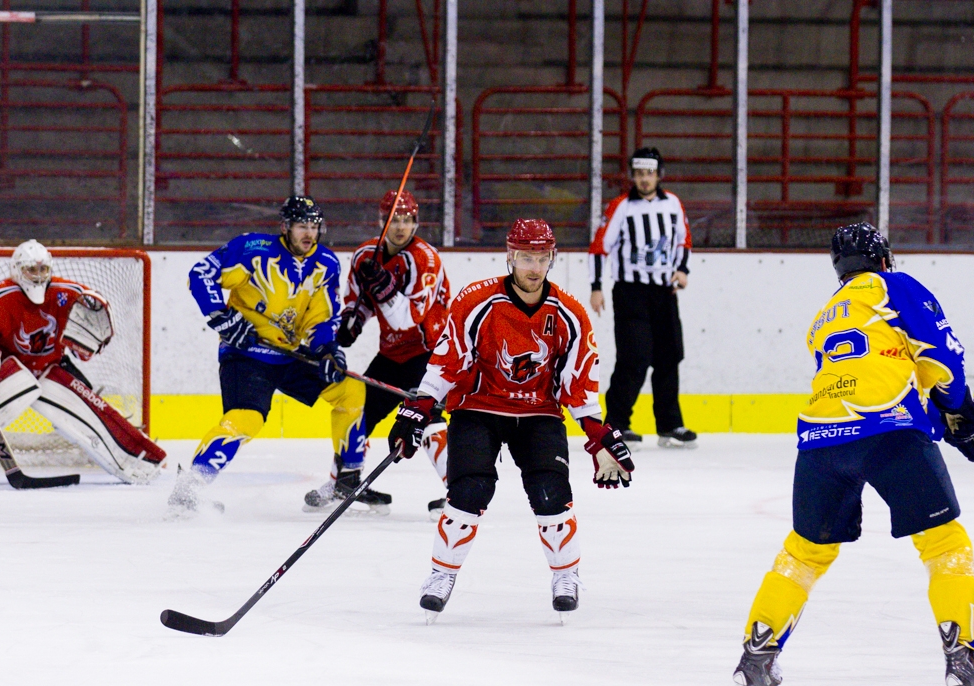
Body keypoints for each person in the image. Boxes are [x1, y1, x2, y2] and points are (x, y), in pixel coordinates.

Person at [730, 222, 974, 686]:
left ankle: (756, 656)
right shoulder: (894, 286)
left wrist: (945, 421)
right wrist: (964, 414)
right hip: (888, 432)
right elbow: (940, 355)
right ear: (883, 259)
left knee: (805, 553)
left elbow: (873, 372)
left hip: (820, 439)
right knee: (944, 543)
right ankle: (964, 659)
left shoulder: (823, 317)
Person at [388, 218, 636, 623]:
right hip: (478, 408)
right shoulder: (477, 300)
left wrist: (597, 434)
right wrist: (420, 407)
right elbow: (448, 359)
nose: (534, 267)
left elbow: (578, 382)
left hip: (538, 413)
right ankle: (441, 575)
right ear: (510, 256)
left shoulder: (570, 313)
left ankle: (566, 576)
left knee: (551, 492)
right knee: (469, 489)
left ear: (552, 258)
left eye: (542, 258)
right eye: (525, 258)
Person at [167, 196, 387, 517]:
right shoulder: (253, 249)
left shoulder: (326, 263)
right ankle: (190, 487)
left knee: (350, 391)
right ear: (285, 227)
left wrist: (327, 349)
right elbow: (201, 274)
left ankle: (347, 481)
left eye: (314, 226)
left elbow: (321, 318)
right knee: (247, 419)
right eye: (302, 226)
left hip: (291, 354)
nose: (309, 233)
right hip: (247, 353)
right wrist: (223, 318)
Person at [0, 239, 166, 484]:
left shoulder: (67, 293)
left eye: (42, 270)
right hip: (8, 372)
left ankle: (141, 460)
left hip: (52, 368)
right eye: (30, 270)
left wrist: (94, 333)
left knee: (92, 410)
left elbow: (90, 323)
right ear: (17, 270)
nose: (37, 276)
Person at [336, 189, 451, 517]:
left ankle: (460, 492)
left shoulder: (425, 259)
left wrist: (384, 286)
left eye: (407, 220)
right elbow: (358, 300)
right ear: (381, 221)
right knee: (358, 411)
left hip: (431, 352)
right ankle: (343, 482)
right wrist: (352, 322)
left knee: (425, 417)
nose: (400, 226)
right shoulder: (365, 255)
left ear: (416, 222)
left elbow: (408, 319)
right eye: (393, 220)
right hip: (392, 353)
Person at [589, 146, 696, 448]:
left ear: (659, 174)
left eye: (649, 173)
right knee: (634, 358)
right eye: (639, 173)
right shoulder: (621, 206)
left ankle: (670, 425)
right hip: (630, 292)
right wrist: (596, 286)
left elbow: (683, 240)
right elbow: (599, 247)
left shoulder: (673, 203)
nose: (644, 179)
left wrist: (682, 270)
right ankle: (616, 424)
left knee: (669, 356)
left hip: (664, 292)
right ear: (632, 175)